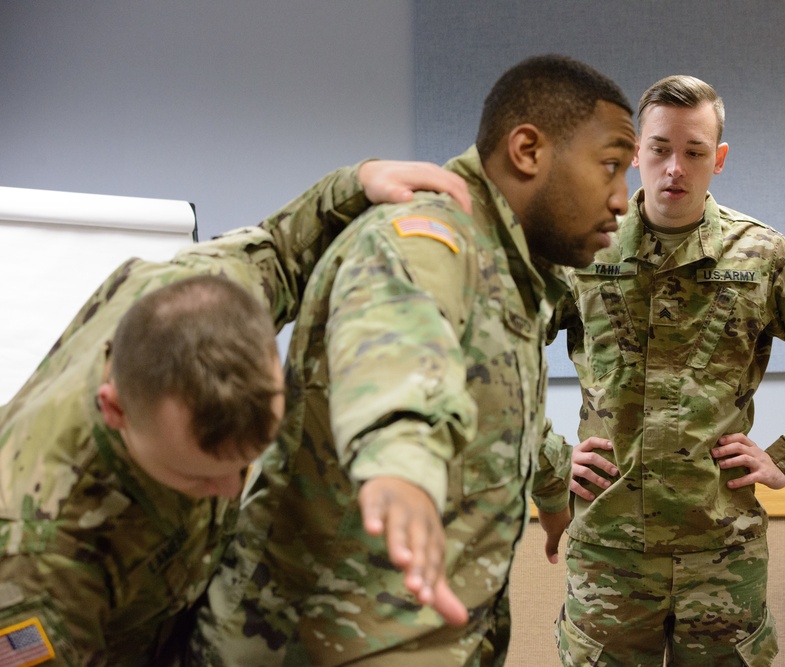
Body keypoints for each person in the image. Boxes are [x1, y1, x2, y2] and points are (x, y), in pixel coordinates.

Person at [188, 53, 637, 666]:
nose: (622, 199)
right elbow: (395, 350)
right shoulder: (426, 238)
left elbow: (496, 408)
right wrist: (398, 468)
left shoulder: (513, 269)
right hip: (316, 642)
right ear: (528, 150)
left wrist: (553, 492)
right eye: (611, 166)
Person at [0, 159, 472, 666]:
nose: (231, 489)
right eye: (198, 473)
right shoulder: (38, 552)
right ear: (115, 410)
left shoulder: (215, 288)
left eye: (245, 461)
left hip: (185, 591)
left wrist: (357, 182)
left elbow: (284, 248)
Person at [541, 75, 785, 666]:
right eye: (660, 149)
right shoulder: (579, 249)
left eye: (694, 152)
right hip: (610, 556)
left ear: (717, 160)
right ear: (634, 152)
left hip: (722, 552)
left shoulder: (765, 257)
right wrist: (545, 457)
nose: (675, 168)